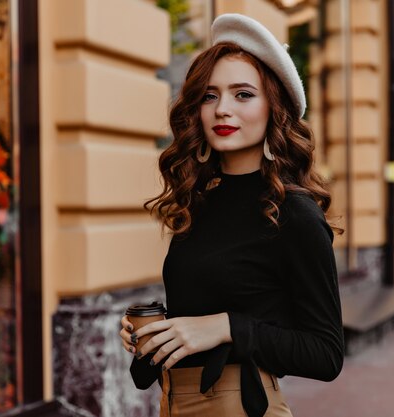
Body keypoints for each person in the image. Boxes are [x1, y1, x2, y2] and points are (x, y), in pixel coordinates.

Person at [119, 13, 344, 417]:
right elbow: (204, 314)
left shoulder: (293, 213)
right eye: (209, 95)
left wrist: (224, 326)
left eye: (243, 94)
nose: (223, 109)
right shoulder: (200, 202)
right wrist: (159, 335)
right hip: (174, 403)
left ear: (275, 107)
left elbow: (326, 353)